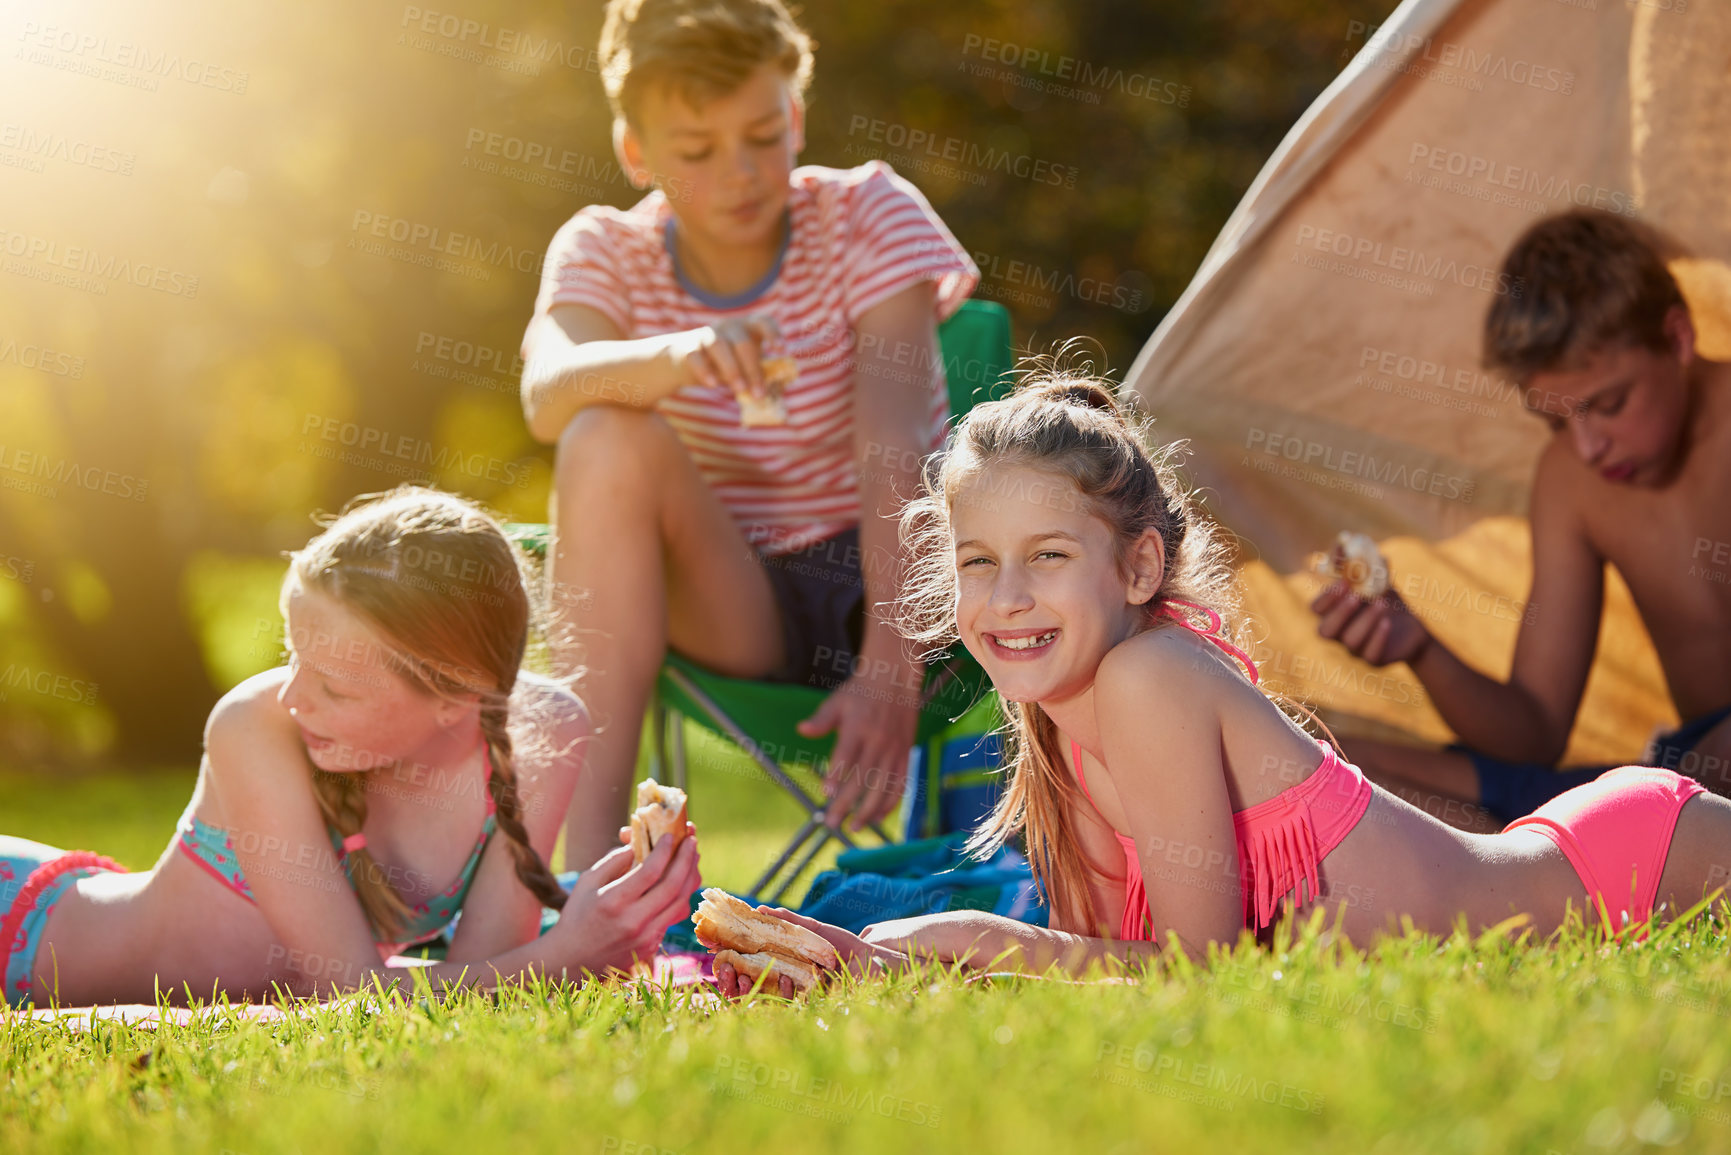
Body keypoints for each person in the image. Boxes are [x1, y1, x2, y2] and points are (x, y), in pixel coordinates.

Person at [716, 376, 1731, 992]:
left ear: (1140, 569)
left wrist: (979, 935)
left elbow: (1205, 978)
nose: (1008, 596)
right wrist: (903, 965)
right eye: (979, 561)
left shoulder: (1150, 676)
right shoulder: (1054, 730)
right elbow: (1115, 973)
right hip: (1571, 848)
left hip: (1623, 868)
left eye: (1050, 557)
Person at [518, 0, 980, 874]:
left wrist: (891, 665)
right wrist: (680, 356)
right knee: (601, 437)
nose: (739, 173)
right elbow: (547, 392)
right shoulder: (604, 249)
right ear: (636, 153)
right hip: (725, 598)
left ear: (797, 116)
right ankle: (580, 889)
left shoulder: (867, 213)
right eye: (695, 151)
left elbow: (894, 445)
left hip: (880, 587)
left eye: (764, 135)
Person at [1, 487, 700, 1009]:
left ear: (455, 697)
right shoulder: (254, 726)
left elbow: (479, 982)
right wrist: (569, 951)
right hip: (26, 939)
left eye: (334, 687)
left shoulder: (543, 726)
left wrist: (588, 938)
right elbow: (352, 998)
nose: (292, 695)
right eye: (290, 655)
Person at [1311, 209, 1731, 830]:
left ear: (1676, 338)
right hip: (1679, 772)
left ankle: (1572, 850)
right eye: (1557, 422)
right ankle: (1548, 855)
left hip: (1694, 776)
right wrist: (1419, 647)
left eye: (1608, 405)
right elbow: (1534, 732)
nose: (1587, 448)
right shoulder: (1571, 479)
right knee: (1315, 753)